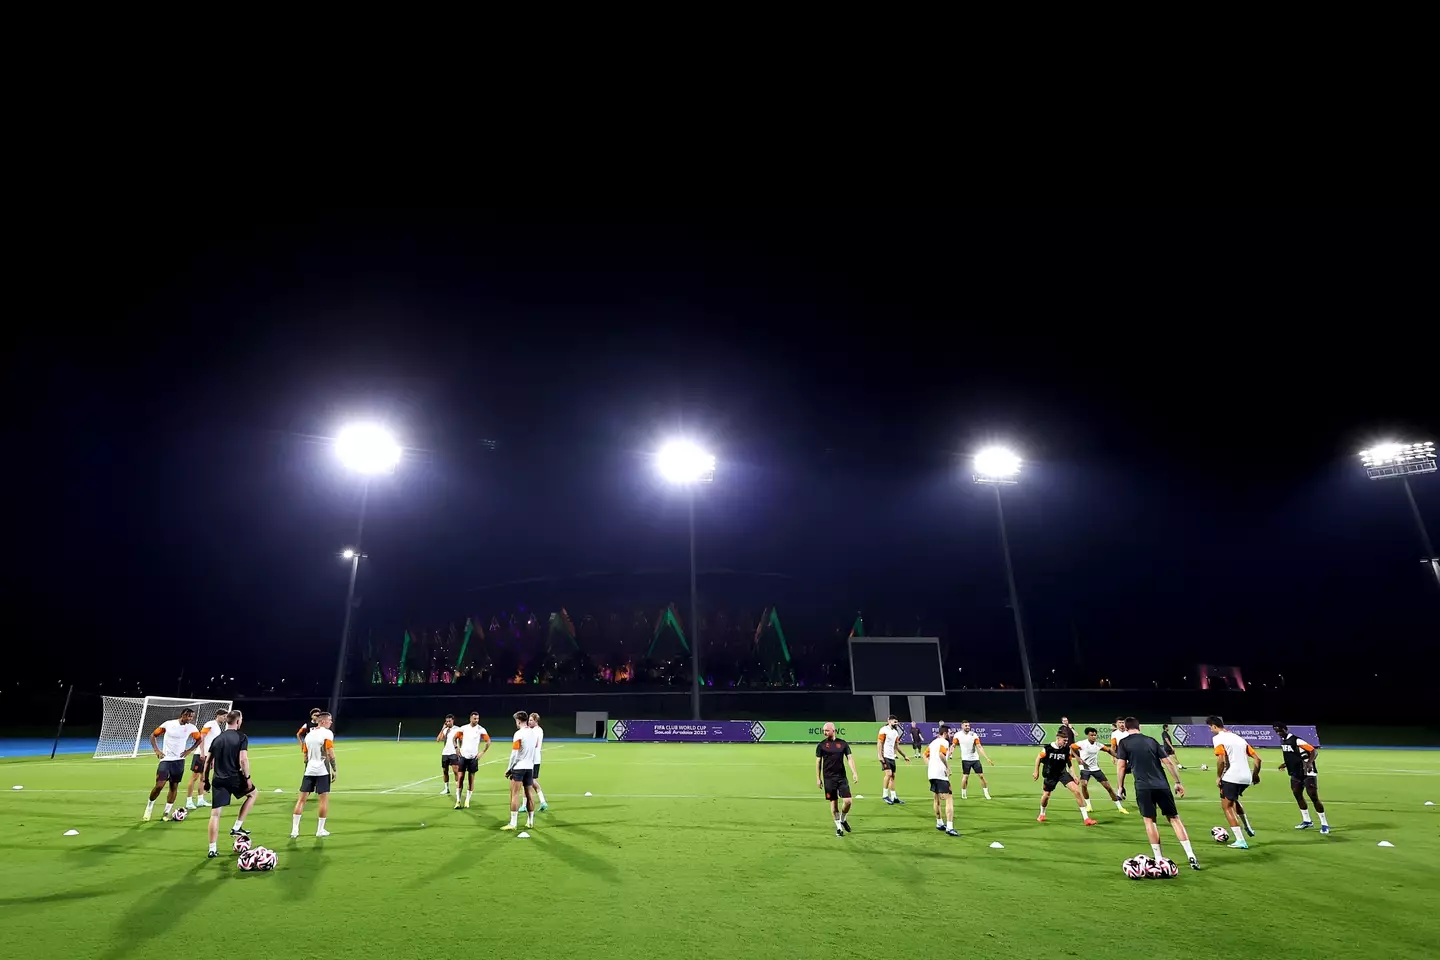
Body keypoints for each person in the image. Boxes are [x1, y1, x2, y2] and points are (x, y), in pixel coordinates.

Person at [1113, 717, 1199, 870]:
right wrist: (1178, 782)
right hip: (1162, 785)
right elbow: (1168, 762)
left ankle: (1159, 859)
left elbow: (1120, 767)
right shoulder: (1152, 740)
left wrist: (1120, 787)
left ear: (1125, 728)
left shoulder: (1124, 743)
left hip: (1143, 787)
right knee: (1174, 819)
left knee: (1150, 821)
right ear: (1139, 727)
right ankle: (1191, 855)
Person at [203, 710, 258, 858]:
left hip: (218, 779)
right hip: (234, 777)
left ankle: (212, 849)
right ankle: (236, 827)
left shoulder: (217, 738)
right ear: (238, 721)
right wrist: (247, 778)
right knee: (253, 794)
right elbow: (243, 760)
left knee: (215, 814)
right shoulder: (241, 737)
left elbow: (208, 762)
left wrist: (205, 780)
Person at [1208, 715, 1260, 848]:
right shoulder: (1238, 738)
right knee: (1234, 800)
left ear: (1214, 726)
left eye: (1210, 728)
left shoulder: (1218, 738)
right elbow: (1258, 759)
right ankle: (1248, 827)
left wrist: (1219, 776)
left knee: (1226, 806)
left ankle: (1240, 840)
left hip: (1232, 777)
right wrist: (1255, 775)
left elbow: (1221, 759)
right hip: (1246, 778)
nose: (1211, 730)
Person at [145, 707, 201, 822]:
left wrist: (189, 750)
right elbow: (153, 736)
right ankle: (149, 808)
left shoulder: (191, 728)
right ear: (182, 715)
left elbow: (199, 739)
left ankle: (166, 813)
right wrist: (157, 750)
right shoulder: (168, 724)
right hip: (165, 760)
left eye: (192, 716)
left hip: (179, 761)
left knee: (173, 786)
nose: (190, 718)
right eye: (188, 716)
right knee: (159, 785)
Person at [1275, 723, 1329, 833]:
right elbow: (1292, 756)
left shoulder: (1296, 740)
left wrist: (1309, 763)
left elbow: (1314, 751)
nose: (1279, 733)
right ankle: (1307, 821)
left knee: (1313, 796)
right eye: (1276, 731)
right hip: (1295, 773)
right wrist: (1285, 764)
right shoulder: (1283, 741)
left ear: (1285, 729)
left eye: (1280, 730)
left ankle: (1324, 824)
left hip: (1307, 772)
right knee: (1298, 795)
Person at [1033, 730, 1096, 825]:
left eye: (1067, 741)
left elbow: (1069, 763)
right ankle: (1042, 813)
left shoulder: (1066, 749)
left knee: (1077, 791)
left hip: (1062, 773)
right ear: (1058, 739)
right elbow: (1038, 758)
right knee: (1046, 796)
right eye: (1064, 740)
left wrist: (1074, 775)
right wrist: (1036, 771)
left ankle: (1086, 819)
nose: (1066, 742)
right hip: (1050, 775)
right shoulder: (1048, 748)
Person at [292, 711, 337, 838]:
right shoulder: (327, 733)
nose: (331, 722)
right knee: (323, 801)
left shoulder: (309, 735)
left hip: (309, 770)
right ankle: (320, 830)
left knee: (301, 800)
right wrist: (334, 769)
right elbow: (330, 752)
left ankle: (295, 830)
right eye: (329, 720)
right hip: (322, 771)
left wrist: (309, 766)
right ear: (323, 721)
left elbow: (305, 756)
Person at [815, 721, 861, 837]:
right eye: (823, 731)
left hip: (841, 777)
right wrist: (818, 778)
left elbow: (850, 759)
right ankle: (839, 828)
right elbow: (818, 762)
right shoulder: (821, 745)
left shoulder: (843, 744)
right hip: (829, 778)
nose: (824, 733)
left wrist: (854, 772)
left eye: (827, 730)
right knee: (833, 803)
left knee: (848, 801)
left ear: (833, 730)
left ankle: (843, 819)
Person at [1072, 727, 1127, 815]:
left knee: (1108, 787)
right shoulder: (1082, 743)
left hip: (1095, 769)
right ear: (1088, 735)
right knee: (1084, 785)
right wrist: (1077, 757)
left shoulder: (1098, 745)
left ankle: (1120, 807)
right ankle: (1088, 805)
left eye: (1095, 735)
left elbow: (1108, 750)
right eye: (1092, 735)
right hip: (1085, 769)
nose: (1094, 736)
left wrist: (1119, 757)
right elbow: (1072, 747)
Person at [502, 710, 541, 830]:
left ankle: (513, 823)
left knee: (514, 794)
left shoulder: (518, 734)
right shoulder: (533, 733)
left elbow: (514, 753)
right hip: (529, 767)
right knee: (529, 794)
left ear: (518, 721)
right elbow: (535, 750)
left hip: (519, 767)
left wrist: (509, 769)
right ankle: (530, 821)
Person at [185, 708, 229, 811]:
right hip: (201, 755)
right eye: (224, 716)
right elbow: (202, 737)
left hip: (208, 756)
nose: (225, 718)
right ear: (218, 715)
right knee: (194, 777)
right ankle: (189, 801)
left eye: (226, 716)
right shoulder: (210, 724)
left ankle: (200, 800)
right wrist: (202, 752)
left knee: (203, 778)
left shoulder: (218, 727)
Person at [924, 723, 961, 836]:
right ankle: (949, 827)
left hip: (931, 774)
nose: (951, 735)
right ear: (944, 733)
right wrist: (947, 767)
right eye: (950, 733)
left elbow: (924, 755)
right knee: (949, 798)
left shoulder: (933, 743)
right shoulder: (944, 742)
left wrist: (931, 766)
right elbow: (941, 754)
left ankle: (939, 823)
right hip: (940, 774)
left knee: (936, 798)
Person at [453, 711, 491, 810]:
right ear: (470, 718)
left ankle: (467, 801)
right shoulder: (464, 728)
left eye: (477, 719)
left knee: (471, 780)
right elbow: (454, 738)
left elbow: (488, 741)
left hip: (473, 758)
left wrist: (482, 752)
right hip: (463, 757)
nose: (476, 720)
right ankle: (458, 800)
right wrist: (456, 748)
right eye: (475, 719)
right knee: (460, 778)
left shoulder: (481, 730)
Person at [951, 721, 992, 800]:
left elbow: (979, 746)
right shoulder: (957, 735)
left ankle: (986, 793)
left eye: (968, 726)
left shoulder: (974, 735)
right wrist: (950, 753)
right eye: (966, 726)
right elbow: (953, 745)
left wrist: (987, 758)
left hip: (975, 759)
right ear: (962, 726)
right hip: (966, 760)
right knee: (965, 777)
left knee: (981, 776)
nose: (967, 727)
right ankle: (963, 793)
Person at [876, 715, 911, 805]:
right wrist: (880, 755)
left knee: (893, 777)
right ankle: (884, 795)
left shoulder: (895, 732)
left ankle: (894, 797)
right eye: (894, 722)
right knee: (889, 774)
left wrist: (904, 756)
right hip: (885, 756)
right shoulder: (883, 730)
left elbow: (897, 746)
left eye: (897, 722)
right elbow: (879, 743)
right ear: (889, 721)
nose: (896, 723)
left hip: (891, 757)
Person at [520, 712, 549, 813]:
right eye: (529, 720)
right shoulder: (537, 730)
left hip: (532, 759)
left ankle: (524, 805)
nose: (529, 722)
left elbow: (533, 744)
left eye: (531, 720)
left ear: (536, 721)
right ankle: (542, 802)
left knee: (528, 782)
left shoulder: (536, 731)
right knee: (531, 781)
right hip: (534, 759)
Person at [437, 715, 460, 797]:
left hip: (454, 752)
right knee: (445, 771)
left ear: (453, 721)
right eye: (446, 721)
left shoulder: (458, 729)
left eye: (449, 721)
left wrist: (460, 749)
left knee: (455, 771)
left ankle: (458, 789)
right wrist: (443, 728)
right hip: (445, 753)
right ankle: (446, 789)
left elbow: (462, 739)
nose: (448, 723)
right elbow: (438, 739)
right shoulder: (445, 730)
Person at [1110, 717, 1132, 800]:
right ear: (1116, 724)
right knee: (1121, 774)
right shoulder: (1114, 733)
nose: (1122, 724)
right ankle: (1120, 792)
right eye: (1120, 722)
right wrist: (1113, 757)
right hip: (1122, 756)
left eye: (1123, 722)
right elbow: (1113, 746)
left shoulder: (1129, 732)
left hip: (1132, 756)